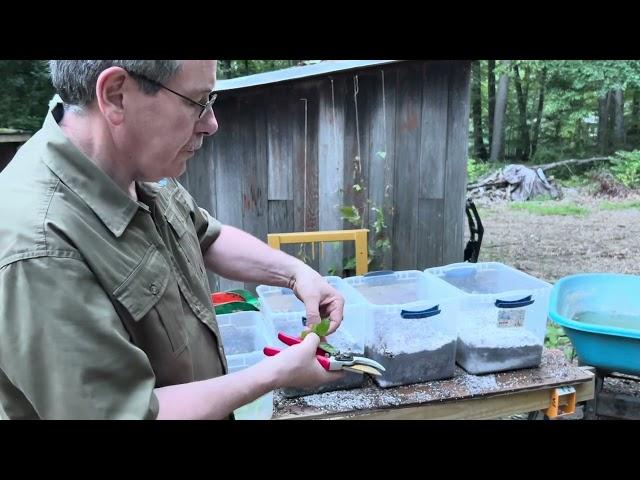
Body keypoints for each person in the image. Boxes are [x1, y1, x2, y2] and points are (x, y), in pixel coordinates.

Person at [0, 60, 345, 420]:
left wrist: (294, 273)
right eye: (197, 101)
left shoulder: (135, 164)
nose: (211, 123)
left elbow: (206, 236)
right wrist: (275, 374)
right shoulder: (37, 249)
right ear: (116, 96)